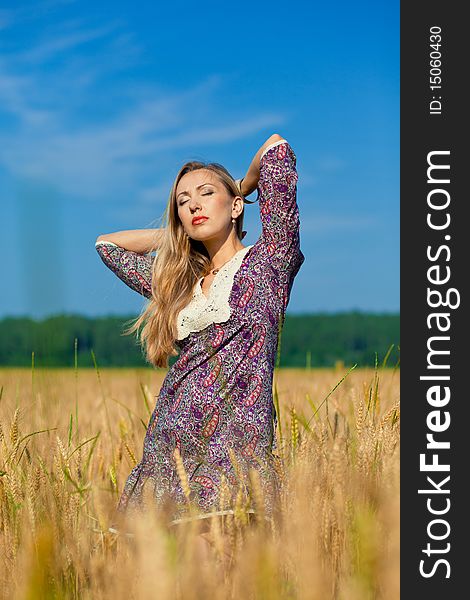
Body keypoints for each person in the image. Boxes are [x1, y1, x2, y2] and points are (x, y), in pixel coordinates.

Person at [95, 134, 304, 529]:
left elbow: (276, 146)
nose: (193, 204)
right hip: (169, 448)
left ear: (237, 205)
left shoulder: (270, 261)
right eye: (183, 202)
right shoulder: (179, 284)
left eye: (206, 193)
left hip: (235, 450)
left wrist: (240, 187)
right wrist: (178, 237)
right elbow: (108, 246)